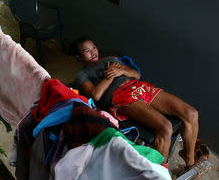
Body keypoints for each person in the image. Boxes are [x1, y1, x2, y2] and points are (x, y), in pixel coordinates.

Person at [69, 36, 204, 171]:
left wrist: (121, 71)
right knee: (165, 127)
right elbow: (95, 95)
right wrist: (109, 77)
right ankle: (159, 175)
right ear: (78, 57)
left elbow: (136, 74)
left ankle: (189, 160)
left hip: (139, 87)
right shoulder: (82, 75)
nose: (93, 52)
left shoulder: (109, 60)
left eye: (94, 47)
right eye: (87, 50)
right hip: (121, 96)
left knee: (191, 113)